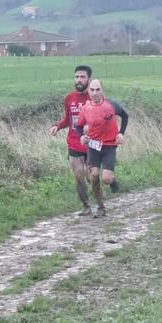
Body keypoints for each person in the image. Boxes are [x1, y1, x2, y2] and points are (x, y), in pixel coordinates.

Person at [75, 79, 126, 217]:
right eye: (92, 90)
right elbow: (78, 126)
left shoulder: (111, 105)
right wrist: (82, 137)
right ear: (88, 91)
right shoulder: (86, 108)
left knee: (106, 179)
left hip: (109, 146)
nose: (95, 93)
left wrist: (121, 133)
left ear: (102, 90)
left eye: (98, 90)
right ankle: (100, 206)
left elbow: (125, 115)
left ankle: (112, 180)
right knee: (93, 176)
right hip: (93, 147)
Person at [49, 64, 95, 215]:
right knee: (78, 175)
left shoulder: (95, 97)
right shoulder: (69, 99)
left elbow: (105, 119)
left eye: (82, 77)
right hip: (74, 142)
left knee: (91, 177)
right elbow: (68, 120)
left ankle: (100, 203)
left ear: (89, 79)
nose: (79, 80)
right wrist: (57, 126)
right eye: (77, 77)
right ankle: (86, 206)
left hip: (91, 143)